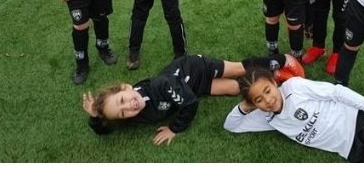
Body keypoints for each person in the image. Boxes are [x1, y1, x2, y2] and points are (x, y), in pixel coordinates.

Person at [82, 53, 304, 145]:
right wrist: (96, 116)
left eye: (123, 100)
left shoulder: (162, 85)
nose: (129, 106)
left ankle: (280, 60)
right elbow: (108, 129)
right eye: (123, 112)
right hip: (192, 88)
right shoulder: (132, 117)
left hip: (195, 68)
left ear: (125, 87)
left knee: (238, 68)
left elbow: (189, 104)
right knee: (234, 88)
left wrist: (174, 128)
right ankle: (276, 79)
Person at [224, 67, 364, 162]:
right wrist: (246, 105)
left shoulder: (295, 87)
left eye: (267, 91)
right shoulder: (264, 117)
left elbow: (337, 92)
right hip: (349, 150)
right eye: (259, 100)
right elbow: (230, 125)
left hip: (358, 123)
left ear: (274, 83)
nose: (268, 100)